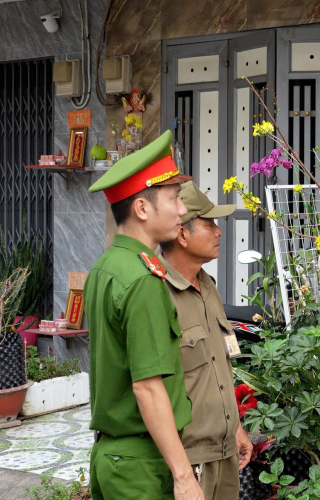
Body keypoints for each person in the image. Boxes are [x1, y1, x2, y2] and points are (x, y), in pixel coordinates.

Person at [84, 130, 204, 500]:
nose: (182, 210)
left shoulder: (106, 266)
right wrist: (184, 477)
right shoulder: (142, 279)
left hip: (113, 458)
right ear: (141, 208)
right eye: (174, 198)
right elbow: (147, 387)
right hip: (142, 464)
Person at [158, 181, 253, 499]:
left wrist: (236, 428)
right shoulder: (157, 294)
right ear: (182, 234)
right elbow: (151, 387)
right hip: (189, 460)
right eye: (209, 223)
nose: (219, 231)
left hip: (224, 451)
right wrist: (181, 472)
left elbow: (217, 367)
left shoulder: (208, 286)